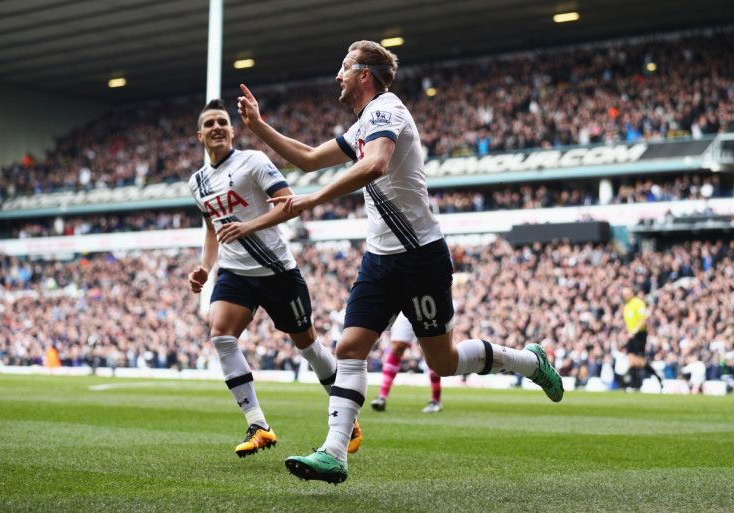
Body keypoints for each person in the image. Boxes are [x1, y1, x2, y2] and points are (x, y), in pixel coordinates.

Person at [237, 40, 563, 484]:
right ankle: (335, 452)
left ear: (364, 74)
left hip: (420, 257)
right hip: (380, 260)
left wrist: (313, 200)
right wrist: (259, 126)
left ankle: (529, 362)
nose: (338, 76)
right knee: (350, 348)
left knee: (443, 362)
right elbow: (310, 159)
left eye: (344, 68)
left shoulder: (386, 109)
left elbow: (375, 165)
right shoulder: (361, 125)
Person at [187, 99, 362, 459]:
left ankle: (348, 415)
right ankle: (258, 425)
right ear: (200, 135)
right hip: (236, 273)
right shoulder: (197, 182)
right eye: (210, 124)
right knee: (221, 335)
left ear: (233, 130)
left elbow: (287, 203)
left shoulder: (252, 161)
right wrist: (206, 266)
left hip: (278, 272)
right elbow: (212, 227)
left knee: (308, 346)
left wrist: (247, 226)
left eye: (223, 121)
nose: (217, 127)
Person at [370, 311, 443, 413]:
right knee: (397, 347)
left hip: (428, 304)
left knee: (432, 351)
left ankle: (436, 399)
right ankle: (382, 397)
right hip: (406, 305)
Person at [621, 287, 663, 390]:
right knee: (631, 360)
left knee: (639, 361)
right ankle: (633, 385)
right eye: (623, 294)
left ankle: (657, 377)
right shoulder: (627, 306)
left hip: (639, 334)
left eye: (627, 294)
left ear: (632, 293)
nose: (625, 296)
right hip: (631, 335)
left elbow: (643, 319)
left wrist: (634, 331)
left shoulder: (638, 303)